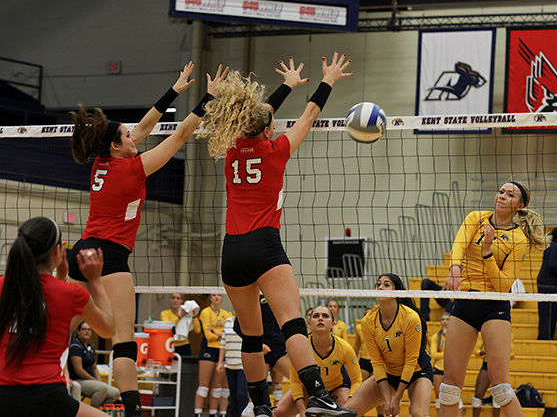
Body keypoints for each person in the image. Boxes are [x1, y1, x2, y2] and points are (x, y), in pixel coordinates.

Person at [199, 53, 355, 417]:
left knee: (251, 337)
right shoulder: (276, 149)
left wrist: (285, 86)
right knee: (292, 323)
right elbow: (310, 114)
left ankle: (260, 408)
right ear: (268, 130)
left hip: (232, 251)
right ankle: (318, 396)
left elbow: (258, 116)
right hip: (264, 244)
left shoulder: (232, 148)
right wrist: (328, 79)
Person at [67, 62, 227, 417]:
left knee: (62, 328)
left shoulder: (102, 163)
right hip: (109, 256)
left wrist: (175, 91)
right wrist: (208, 98)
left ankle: (40, 382)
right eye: (127, 136)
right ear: (116, 144)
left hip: (81, 252)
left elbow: (142, 127)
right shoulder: (133, 168)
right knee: (123, 340)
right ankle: (133, 411)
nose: (134, 137)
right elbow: (182, 135)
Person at [440, 182, 545, 417]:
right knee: (449, 388)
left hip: (494, 306)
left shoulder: (518, 239)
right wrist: (455, 268)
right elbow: (458, 244)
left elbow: (504, 285)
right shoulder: (476, 218)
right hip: (465, 301)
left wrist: (487, 252)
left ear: (520, 206)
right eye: (501, 192)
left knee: (501, 388)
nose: (502, 196)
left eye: (510, 195)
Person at [0, 216, 115, 417]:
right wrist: (95, 280)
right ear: (57, 252)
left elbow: (40, 304)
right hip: (47, 396)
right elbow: (108, 328)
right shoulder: (71, 294)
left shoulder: (4, 286)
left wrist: (59, 278)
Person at [345, 274, 432, 417]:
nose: (380, 287)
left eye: (386, 284)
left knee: (418, 414)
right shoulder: (368, 321)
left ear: (396, 291)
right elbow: (377, 363)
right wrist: (387, 399)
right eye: (378, 284)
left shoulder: (410, 317)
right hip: (389, 372)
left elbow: (411, 361)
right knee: (349, 411)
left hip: (417, 371)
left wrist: (397, 398)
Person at [274, 305, 362, 417]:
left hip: (336, 388)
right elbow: (295, 381)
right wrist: (301, 411)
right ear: (309, 323)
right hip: (309, 389)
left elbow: (356, 380)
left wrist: (350, 402)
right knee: (278, 412)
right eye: (316, 316)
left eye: (325, 316)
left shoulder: (345, 348)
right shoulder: (301, 347)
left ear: (333, 323)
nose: (320, 318)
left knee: (346, 411)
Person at [196, 294, 233, 417]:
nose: (216, 297)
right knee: (204, 385)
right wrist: (222, 333)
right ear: (210, 298)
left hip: (223, 350)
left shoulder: (227, 314)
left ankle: (216, 413)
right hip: (208, 349)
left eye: (218, 295)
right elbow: (209, 336)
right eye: (213, 295)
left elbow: (231, 333)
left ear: (222, 298)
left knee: (220, 387)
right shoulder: (205, 312)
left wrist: (216, 332)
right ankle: (198, 413)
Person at [68, 321, 121, 407]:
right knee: (101, 388)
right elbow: (79, 370)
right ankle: (91, 412)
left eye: (89, 330)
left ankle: (99, 411)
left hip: (90, 380)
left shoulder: (90, 347)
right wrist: (94, 380)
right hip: (78, 380)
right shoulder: (75, 347)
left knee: (115, 393)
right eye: (84, 329)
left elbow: (94, 367)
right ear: (78, 331)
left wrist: (99, 381)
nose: (87, 331)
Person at [161, 292, 200, 356]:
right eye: (173, 298)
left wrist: (194, 316)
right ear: (170, 300)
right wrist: (180, 316)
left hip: (185, 345)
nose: (175, 300)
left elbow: (197, 330)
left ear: (182, 301)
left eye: (178, 298)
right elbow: (168, 326)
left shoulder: (187, 313)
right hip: (170, 344)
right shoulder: (165, 313)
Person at [431, 312, 452, 413]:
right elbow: (434, 354)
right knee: (439, 397)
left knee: (453, 395)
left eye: (447, 319)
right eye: (443, 319)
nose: (445, 321)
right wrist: (447, 354)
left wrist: (442, 353)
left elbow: (457, 353)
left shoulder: (455, 336)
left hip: (452, 369)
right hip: (438, 369)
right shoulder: (436, 336)